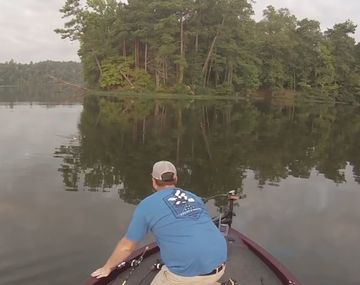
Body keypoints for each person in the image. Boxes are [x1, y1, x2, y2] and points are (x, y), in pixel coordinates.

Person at [91, 160, 236, 285]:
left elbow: (127, 247)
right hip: (221, 264)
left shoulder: (146, 206)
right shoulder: (194, 197)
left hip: (185, 276)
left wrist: (107, 267)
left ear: (153, 181)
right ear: (176, 178)